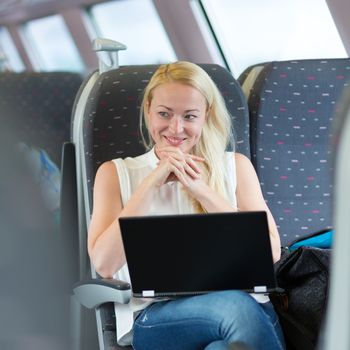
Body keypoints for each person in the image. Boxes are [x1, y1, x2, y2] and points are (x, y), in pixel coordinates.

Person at [88, 61, 285, 349]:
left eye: (189, 116)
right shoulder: (115, 174)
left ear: (206, 116)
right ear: (148, 111)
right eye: (164, 114)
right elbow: (105, 265)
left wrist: (201, 190)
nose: (176, 128)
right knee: (234, 306)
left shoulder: (236, 167)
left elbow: (270, 252)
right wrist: (152, 184)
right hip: (160, 317)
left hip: (250, 310)